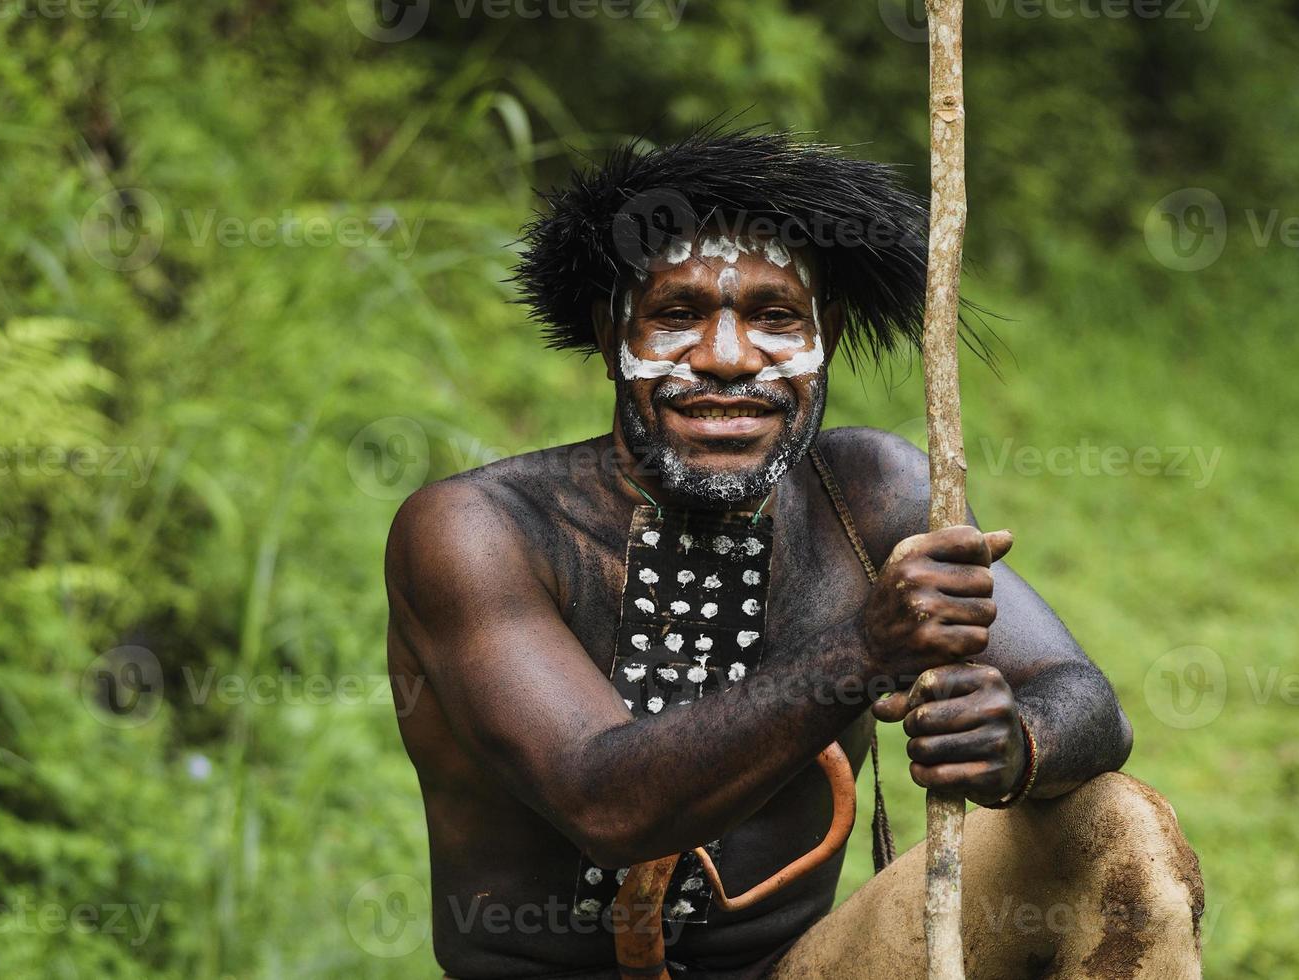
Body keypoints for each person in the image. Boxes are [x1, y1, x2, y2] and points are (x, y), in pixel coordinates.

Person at [384, 129, 1203, 979]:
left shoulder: (867, 491)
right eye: (677, 315)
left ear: (830, 335)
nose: (731, 359)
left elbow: (1089, 704)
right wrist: (867, 649)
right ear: (608, 336)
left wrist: (1015, 738)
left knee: (1122, 834)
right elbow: (606, 803)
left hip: (798, 969)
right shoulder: (478, 528)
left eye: (775, 317)